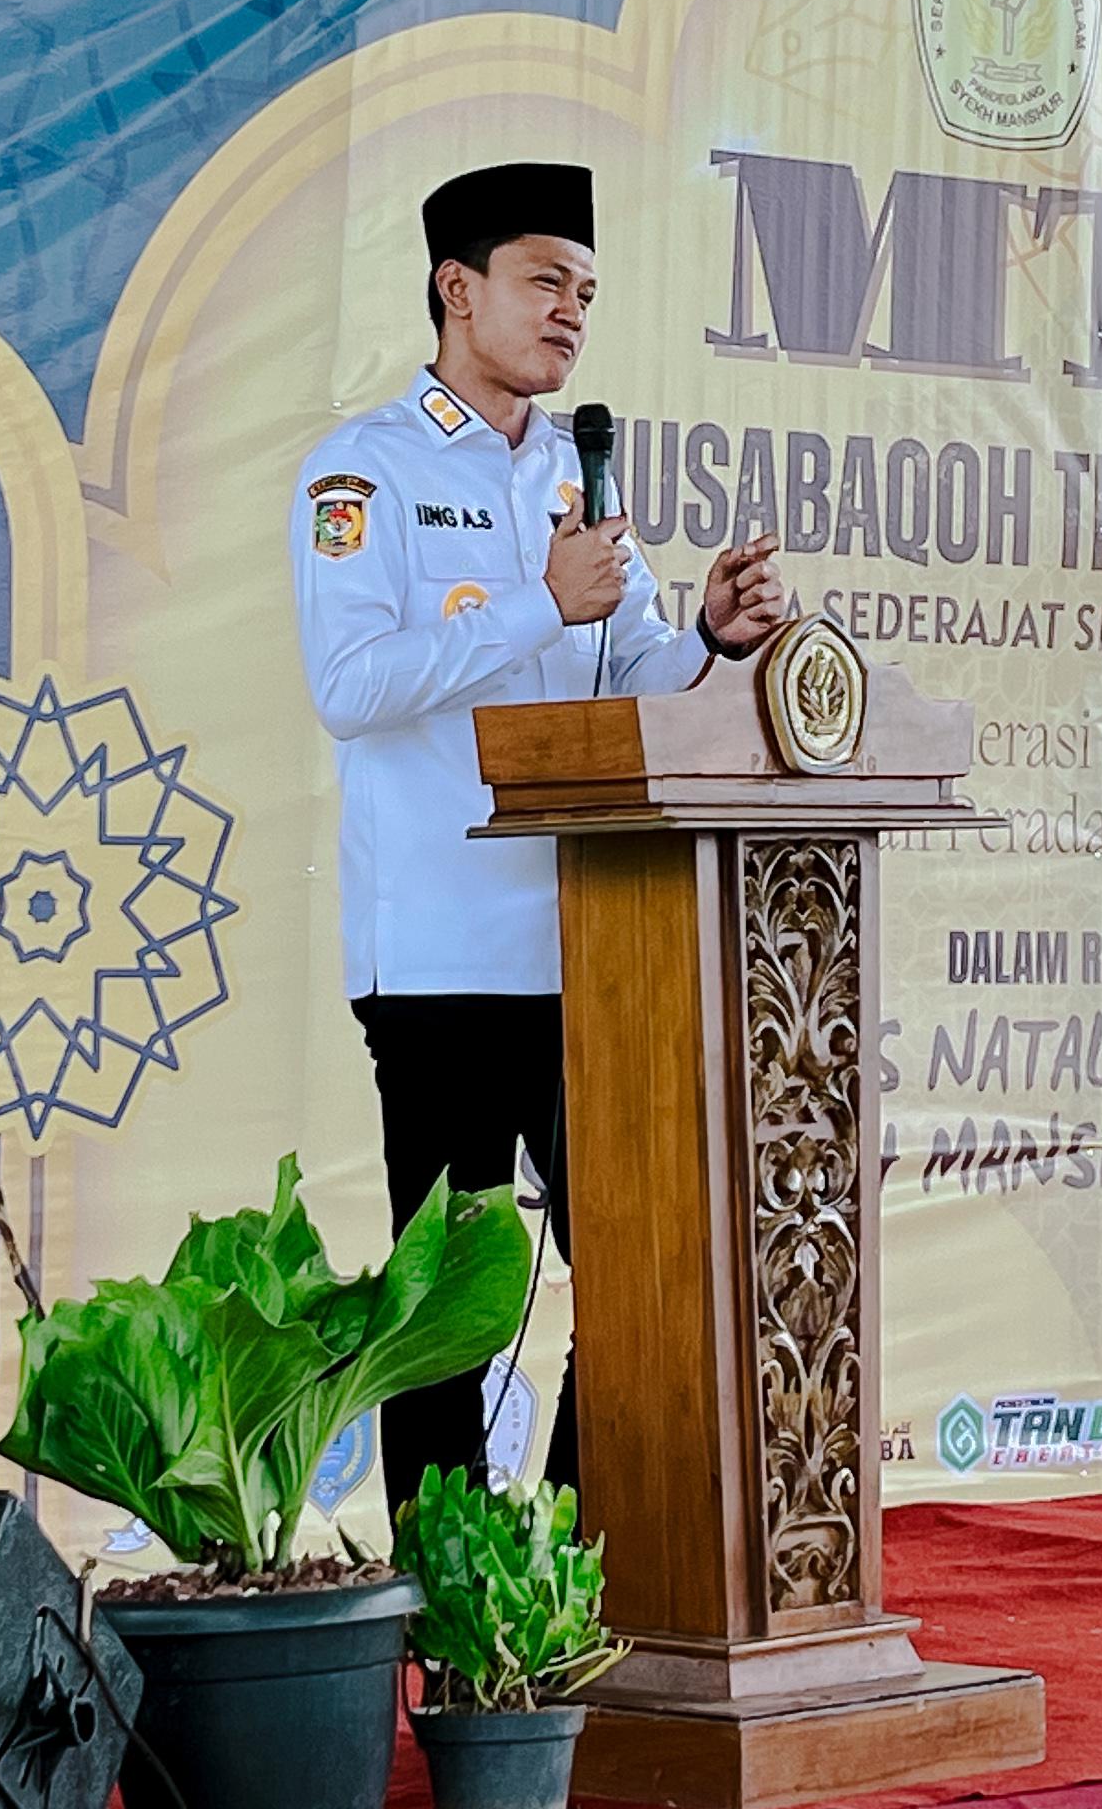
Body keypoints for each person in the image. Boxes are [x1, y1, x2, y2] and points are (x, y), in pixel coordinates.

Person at [293, 161, 790, 1507]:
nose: (572, 312)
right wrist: (532, 605)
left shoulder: (571, 477)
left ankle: (563, 1571)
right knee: (447, 1331)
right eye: (545, 281)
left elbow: (624, 672)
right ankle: (456, 1622)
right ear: (458, 290)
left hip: (589, 952)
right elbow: (350, 689)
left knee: (634, 1287)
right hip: (445, 966)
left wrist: (705, 636)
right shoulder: (364, 470)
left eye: (587, 291)